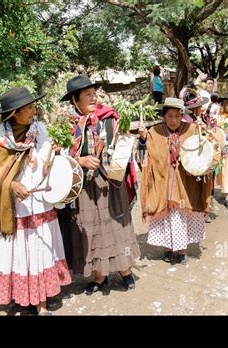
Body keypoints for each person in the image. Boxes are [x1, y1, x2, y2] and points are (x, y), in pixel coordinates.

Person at [0, 87, 71, 315]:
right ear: (15, 113)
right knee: (20, 252)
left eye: (33, 106)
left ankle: (42, 299)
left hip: (40, 202)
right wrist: (12, 185)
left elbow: (47, 159)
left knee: (40, 249)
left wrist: (55, 151)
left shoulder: (39, 130)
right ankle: (22, 297)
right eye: (28, 108)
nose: (33, 111)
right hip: (16, 208)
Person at [58, 74, 140, 294]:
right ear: (75, 100)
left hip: (110, 182)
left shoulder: (110, 118)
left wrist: (128, 145)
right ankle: (99, 276)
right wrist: (80, 160)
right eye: (87, 95)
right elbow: (57, 157)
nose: (93, 98)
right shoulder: (66, 126)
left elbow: (124, 142)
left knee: (116, 224)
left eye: (94, 94)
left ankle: (125, 270)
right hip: (84, 188)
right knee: (91, 227)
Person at [139, 98, 212, 264]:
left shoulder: (192, 130)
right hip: (163, 182)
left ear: (182, 116)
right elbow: (143, 158)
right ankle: (168, 249)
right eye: (170, 116)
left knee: (182, 215)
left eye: (177, 116)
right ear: (164, 116)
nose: (174, 120)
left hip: (186, 183)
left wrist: (204, 133)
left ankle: (182, 250)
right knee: (167, 216)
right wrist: (143, 140)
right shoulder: (154, 132)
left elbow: (205, 151)